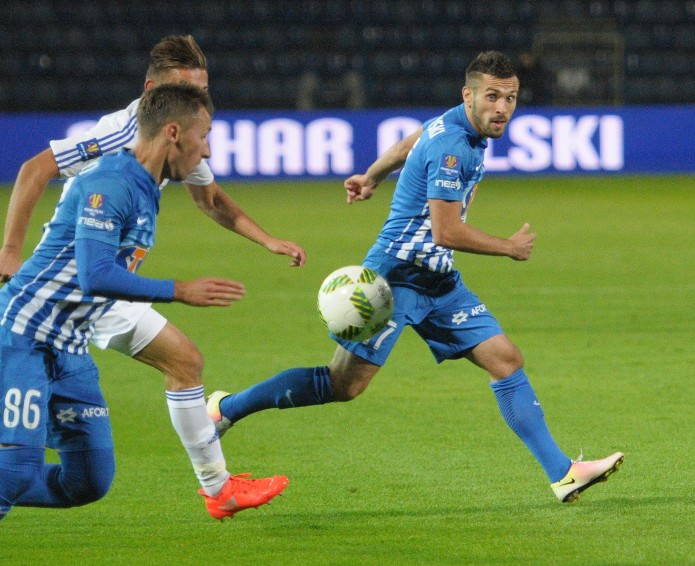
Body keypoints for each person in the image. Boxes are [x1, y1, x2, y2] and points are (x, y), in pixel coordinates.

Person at [208, 51, 623, 504]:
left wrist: (371, 176)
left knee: (505, 359)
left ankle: (563, 474)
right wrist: (508, 247)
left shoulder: (454, 124)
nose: (502, 107)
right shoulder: (453, 149)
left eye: (511, 97)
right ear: (469, 96)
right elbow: (446, 231)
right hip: (395, 280)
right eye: (492, 97)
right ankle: (226, 409)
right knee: (343, 385)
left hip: (439, 281)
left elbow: (411, 141)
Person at [0, 35, 305, 520]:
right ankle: (218, 490)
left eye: (201, 93)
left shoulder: (167, 160)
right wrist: (10, 252)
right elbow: (37, 170)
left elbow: (211, 199)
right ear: (164, 114)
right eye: (187, 95)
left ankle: (218, 489)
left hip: (89, 301)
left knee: (91, 477)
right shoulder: (119, 145)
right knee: (182, 360)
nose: (198, 108)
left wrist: (268, 240)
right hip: (64, 291)